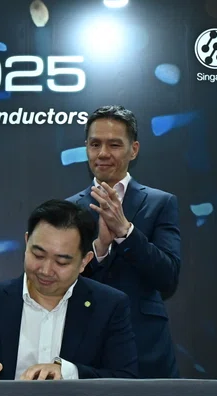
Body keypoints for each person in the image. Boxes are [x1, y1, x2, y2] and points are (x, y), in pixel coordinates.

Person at [0, 200, 138, 381]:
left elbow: (125, 378)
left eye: (61, 261)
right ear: (26, 242)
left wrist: (68, 372)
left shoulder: (109, 305)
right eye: (38, 255)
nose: (46, 270)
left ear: (85, 261)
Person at [66, 105, 181, 378]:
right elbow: (64, 280)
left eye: (114, 144)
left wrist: (126, 231)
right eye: (95, 144)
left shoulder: (160, 203)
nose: (103, 153)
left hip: (146, 345)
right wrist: (100, 249)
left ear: (134, 149)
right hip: (88, 345)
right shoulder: (68, 209)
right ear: (86, 148)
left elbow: (168, 277)